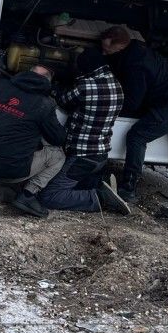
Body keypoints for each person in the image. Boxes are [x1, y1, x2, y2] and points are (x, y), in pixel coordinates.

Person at [100, 26, 168, 224]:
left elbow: (133, 103)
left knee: (137, 136)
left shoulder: (135, 64)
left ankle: (128, 189)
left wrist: (107, 105)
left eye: (107, 49)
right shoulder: (138, 49)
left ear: (120, 45)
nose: (104, 53)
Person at [0, 65, 66, 218]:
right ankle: (28, 195)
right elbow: (58, 139)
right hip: (14, 171)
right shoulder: (44, 104)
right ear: (47, 81)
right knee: (58, 155)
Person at [38, 52, 130, 215]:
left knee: (48, 195)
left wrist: (54, 86)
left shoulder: (85, 86)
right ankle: (97, 183)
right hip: (100, 155)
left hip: (82, 157)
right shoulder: (118, 86)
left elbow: (63, 100)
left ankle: (100, 198)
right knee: (73, 183)